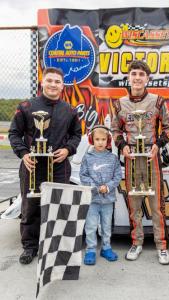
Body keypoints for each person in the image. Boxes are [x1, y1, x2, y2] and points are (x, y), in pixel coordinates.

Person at [8, 67, 82, 264]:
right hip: (32, 166)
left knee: (58, 206)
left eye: (57, 81)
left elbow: (77, 135)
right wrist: (23, 153)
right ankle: (30, 247)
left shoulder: (69, 110)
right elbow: (14, 134)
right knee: (30, 207)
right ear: (42, 82)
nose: (53, 85)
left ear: (62, 85)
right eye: (50, 80)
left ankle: (53, 247)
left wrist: (67, 150)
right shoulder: (26, 106)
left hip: (58, 166)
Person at [111, 60, 169, 265]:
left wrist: (159, 145)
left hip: (151, 158)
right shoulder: (119, 104)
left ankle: (161, 246)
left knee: (156, 206)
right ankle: (136, 242)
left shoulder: (157, 101)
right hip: (131, 160)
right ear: (128, 78)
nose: (137, 77)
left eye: (141, 74)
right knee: (134, 205)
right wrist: (123, 146)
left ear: (147, 78)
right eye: (134, 74)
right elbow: (115, 130)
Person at [79, 125, 122, 265]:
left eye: (103, 139)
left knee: (106, 225)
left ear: (108, 140)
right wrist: (97, 188)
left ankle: (106, 248)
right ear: (92, 140)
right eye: (97, 139)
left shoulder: (113, 158)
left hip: (108, 200)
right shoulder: (87, 157)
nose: (100, 142)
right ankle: (90, 250)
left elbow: (117, 176)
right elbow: (83, 176)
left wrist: (107, 187)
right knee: (91, 226)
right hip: (92, 200)